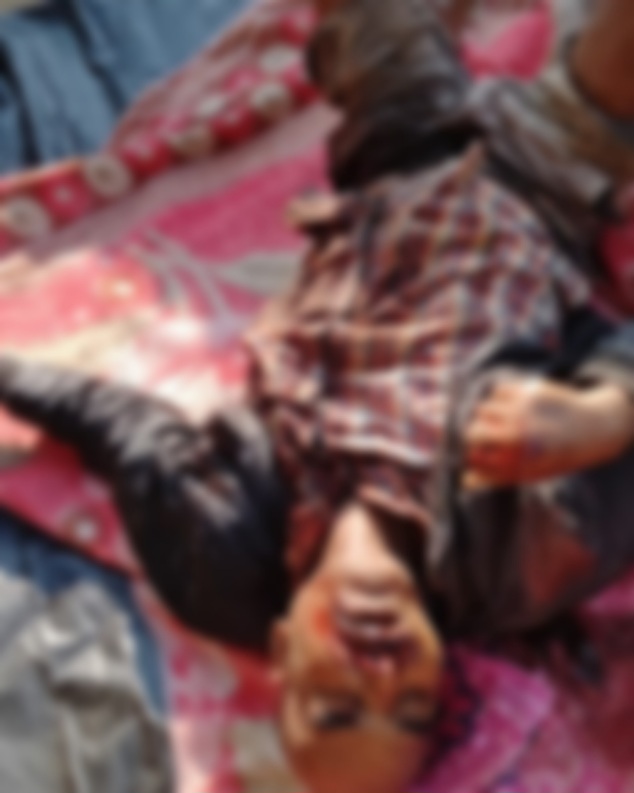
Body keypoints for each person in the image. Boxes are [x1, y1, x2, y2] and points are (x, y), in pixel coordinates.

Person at [1, 1, 634, 791]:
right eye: (413, 707)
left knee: (365, 22)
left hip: (391, 167)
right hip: (539, 190)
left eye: (337, 707)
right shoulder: (520, 558)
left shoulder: (225, 553)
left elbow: (122, 428)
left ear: (281, 650)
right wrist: (599, 416)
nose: (380, 677)